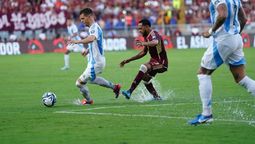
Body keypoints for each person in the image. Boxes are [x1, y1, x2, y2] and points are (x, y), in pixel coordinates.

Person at [189, 0, 255, 125]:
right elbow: (244, 19)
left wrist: (210, 31)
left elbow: (223, 14)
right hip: (236, 38)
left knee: (203, 73)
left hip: (223, 39)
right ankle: (206, 114)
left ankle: (206, 114)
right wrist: (235, 34)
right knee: (241, 78)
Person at [68, 8, 121, 105]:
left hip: (95, 63)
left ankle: (89, 101)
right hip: (95, 61)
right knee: (92, 80)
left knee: (79, 83)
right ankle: (115, 87)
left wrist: (77, 41)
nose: (82, 21)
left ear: (89, 16)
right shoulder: (92, 28)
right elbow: (94, 42)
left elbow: (91, 39)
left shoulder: (94, 27)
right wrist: (88, 50)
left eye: (83, 19)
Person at [120, 19, 168, 100]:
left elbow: (155, 42)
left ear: (146, 27)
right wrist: (128, 60)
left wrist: (143, 43)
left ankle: (129, 91)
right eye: (138, 29)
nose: (139, 31)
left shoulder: (153, 34)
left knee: (143, 67)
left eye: (140, 28)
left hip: (161, 63)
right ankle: (157, 97)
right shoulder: (146, 37)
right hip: (154, 62)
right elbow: (143, 52)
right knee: (145, 79)